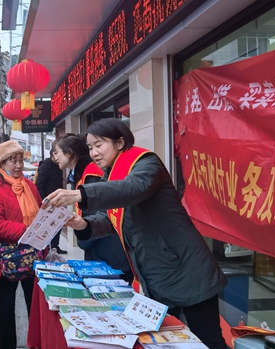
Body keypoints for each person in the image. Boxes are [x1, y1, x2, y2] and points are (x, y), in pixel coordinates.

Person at [44, 118, 228, 349]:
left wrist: (79, 194)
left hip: (186, 270)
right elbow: (112, 218)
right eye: (90, 147)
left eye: (99, 145)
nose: (94, 153)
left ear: (120, 142)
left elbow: (133, 188)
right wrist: (83, 224)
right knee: (164, 341)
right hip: (154, 274)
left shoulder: (147, 163)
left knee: (208, 340)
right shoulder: (110, 176)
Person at [0, 140, 43, 349]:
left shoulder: (30, 186)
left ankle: (36, 343)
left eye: (20, 160)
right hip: (7, 258)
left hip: (33, 256)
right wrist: (27, 232)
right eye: (12, 160)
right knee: (4, 308)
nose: (18, 165)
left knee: (35, 306)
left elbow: (41, 211)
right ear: (1, 163)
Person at [53, 133, 133, 283]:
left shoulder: (92, 176)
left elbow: (100, 218)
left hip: (108, 249)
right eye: (90, 148)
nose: (54, 157)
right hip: (100, 246)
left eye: (56, 152)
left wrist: (83, 232)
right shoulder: (80, 174)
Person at [34, 148, 66, 253]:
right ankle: (47, 247)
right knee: (48, 226)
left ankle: (55, 246)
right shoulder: (45, 166)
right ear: (53, 154)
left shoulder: (59, 166)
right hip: (49, 202)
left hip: (59, 201)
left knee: (58, 224)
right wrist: (45, 201)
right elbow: (39, 185)